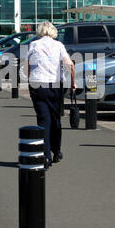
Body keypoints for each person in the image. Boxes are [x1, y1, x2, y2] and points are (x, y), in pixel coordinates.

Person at [27, 21, 76, 169]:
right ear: (53, 31)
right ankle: (57, 151)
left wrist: (30, 80)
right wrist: (73, 82)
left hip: (37, 84)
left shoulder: (33, 45)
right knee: (56, 118)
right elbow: (70, 65)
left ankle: (45, 155)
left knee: (43, 120)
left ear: (40, 31)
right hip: (55, 85)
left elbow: (28, 66)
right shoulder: (59, 45)